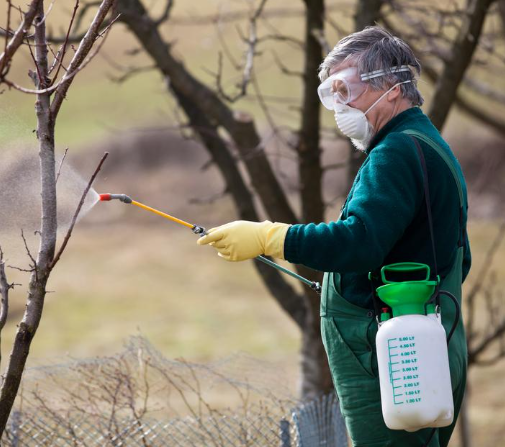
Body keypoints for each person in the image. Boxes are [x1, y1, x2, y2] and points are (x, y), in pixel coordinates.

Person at [197, 26, 470, 447]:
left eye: (348, 89)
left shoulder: (395, 153)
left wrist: (272, 237)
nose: (340, 105)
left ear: (394, 89)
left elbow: (358, 241)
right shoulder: (427, 144)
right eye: (333, 93)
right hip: (426, 350)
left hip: (394, 361)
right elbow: (457, 259)